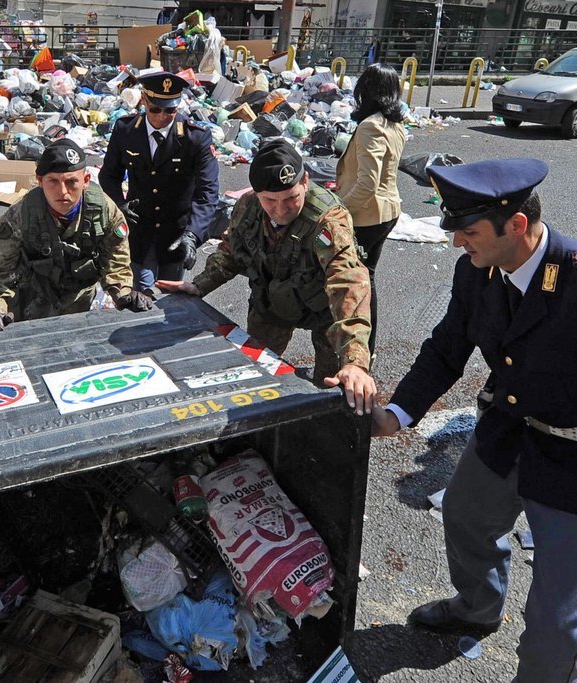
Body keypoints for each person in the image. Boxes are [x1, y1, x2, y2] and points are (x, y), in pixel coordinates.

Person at [371, 158, 577, 680]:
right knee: (465, 515)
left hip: (571, 457)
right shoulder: (477, 270)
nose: (457, 241)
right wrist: (396, 413)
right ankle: (478, 608)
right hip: (507, 429)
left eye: (469, 231)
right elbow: (448, 347)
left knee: (556, 625)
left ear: (517, 225)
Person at [158, 139, 376, 415]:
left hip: (325, 311)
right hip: (272, 305)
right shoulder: (247, 207)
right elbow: (232, 252)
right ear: (256, 193)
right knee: (254, 376)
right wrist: (199, 285)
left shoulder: (328, 220)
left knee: (332, 391)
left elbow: (347, 282)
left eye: (291, 198)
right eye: (270, 201)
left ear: (305, 181)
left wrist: (355, 361)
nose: (281, 210)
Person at [0, 138, 153, 333]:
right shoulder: (20, 215)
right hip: (31, 300)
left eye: (71, 182)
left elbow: (116, 264)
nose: (62, 192)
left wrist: (125, 295)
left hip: (78, 302)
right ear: (39, 180)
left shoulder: (106, 212)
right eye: (53, 181)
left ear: (86, 180)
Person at [100, 71, 219, 290]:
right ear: (144, 101)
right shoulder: (126, 130)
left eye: (170, 110)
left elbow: (208, 192)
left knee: (170, 296)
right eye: (155, 109)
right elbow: (109, 175)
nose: (162, 116)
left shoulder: (195, 138)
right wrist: (119, 205)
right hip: (139, 230)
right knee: (141, 293)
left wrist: (193, 234)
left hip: (176, 234)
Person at [335, 63, 406, 357]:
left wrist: (338, 210)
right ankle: (367, 348)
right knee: (367, 278)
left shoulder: (370, 126)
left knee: (354, 282)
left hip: (367, 215)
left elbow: (367, 183)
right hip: (387, 211)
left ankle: (359, 349)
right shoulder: (394, 124)